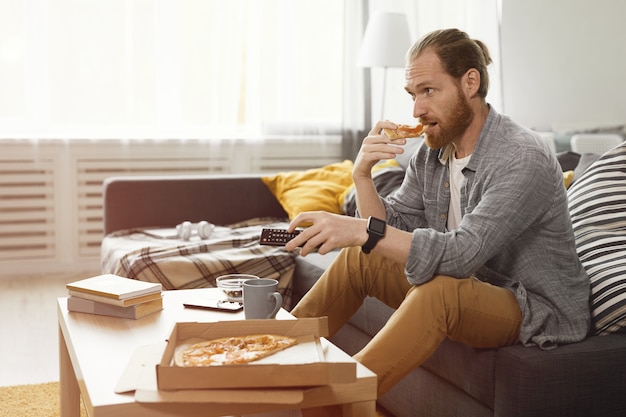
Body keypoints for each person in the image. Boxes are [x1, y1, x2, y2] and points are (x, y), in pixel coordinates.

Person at [286, 28, 591, 405]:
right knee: (358, 260)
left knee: (440, 291)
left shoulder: (521, 156)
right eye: (413, 95)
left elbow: (462, 254)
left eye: (428, 91)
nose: (416, 109)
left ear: (470, 83)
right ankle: (272, 363)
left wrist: (362, 231)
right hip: (471, 283)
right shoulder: (432, 151)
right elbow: (391, 229)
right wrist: (362, 175)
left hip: (532, 303)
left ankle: (328, 405)